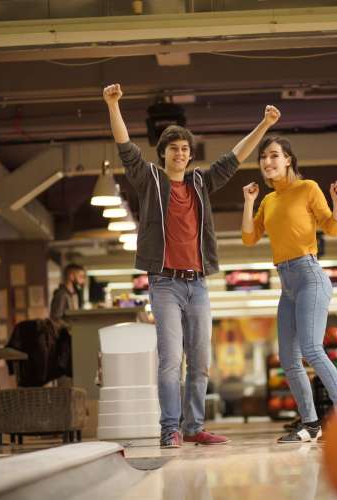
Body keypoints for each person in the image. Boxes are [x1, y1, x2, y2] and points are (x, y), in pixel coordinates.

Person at [103, 83, 280, 448]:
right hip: (165, 284)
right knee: (171, 362)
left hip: (197, 284)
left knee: (199, 361)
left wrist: (263, 125)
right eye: (174, 149)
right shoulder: (150, 179)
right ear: (164, 153)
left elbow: (234, 158)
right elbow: (125, 149)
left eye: (186, 149)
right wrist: (113, 103)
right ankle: (170, 427)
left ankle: (194, 426)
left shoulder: (200, 182)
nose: (181, 154)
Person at [241, 136, 337, 443]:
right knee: (287, 357)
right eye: (263, 157)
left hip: (310, 276)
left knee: (312, 350)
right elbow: (249, 238)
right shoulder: (268, 201)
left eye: (274, 155)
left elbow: (332, 227)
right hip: (286, 284)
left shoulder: (308, 188)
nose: (267, 161)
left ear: (288, 160)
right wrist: (249, 202)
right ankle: (311, 424)